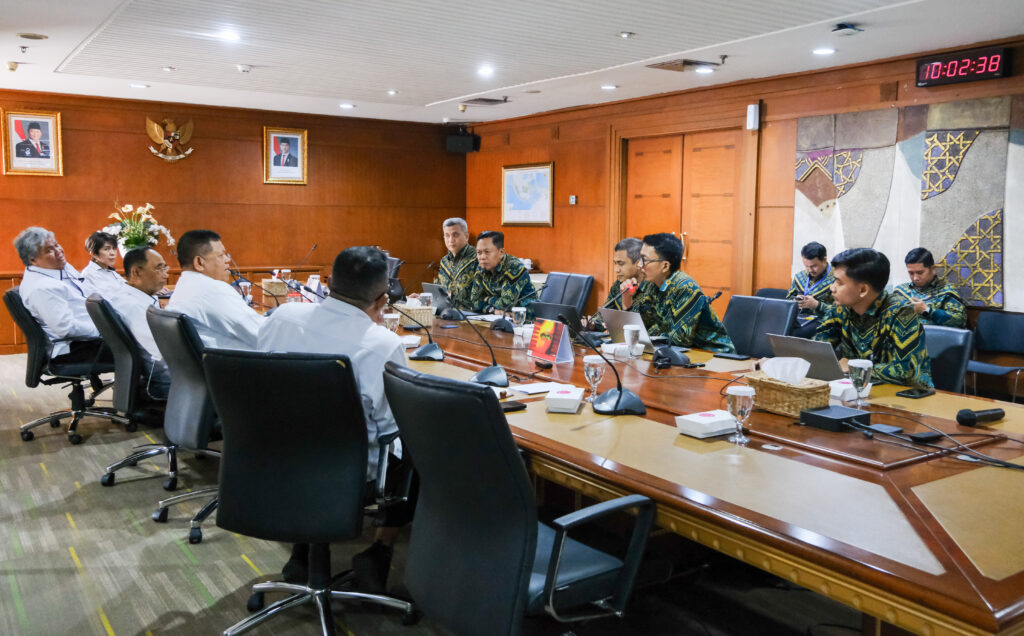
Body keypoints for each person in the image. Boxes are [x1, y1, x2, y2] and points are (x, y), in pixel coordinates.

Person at [258, 246, 416, 593]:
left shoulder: (283, 317)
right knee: (418, 444)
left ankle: (303, 549)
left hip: (272, 462)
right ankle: (380, 551)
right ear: (383, 299)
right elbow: (394, 427)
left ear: (328, 283)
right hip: (349, 477)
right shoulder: (382, 344)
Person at [814, 248, 933, 388]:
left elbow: (907, 372)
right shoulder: (840, 308)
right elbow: (816, 349)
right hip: (856, 389)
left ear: (863, 290)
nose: (832, 288)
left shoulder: (901, 312)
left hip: (905, 394)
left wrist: (854, 366)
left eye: (839, 283)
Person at [14, 227, 113, 367]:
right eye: (49, 250)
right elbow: (67, 329)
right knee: (140, 347)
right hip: (76, 347)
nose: (58, 251)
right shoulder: (41, 288)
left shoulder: (62, 267)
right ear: (33, 260)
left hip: (96, 331)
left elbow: (91, 292)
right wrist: (108, 331)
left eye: (56, 244)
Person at [629, 233, 735, 352]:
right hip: (679, 353)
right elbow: (640, 325)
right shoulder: (651, 284)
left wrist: (650, 333)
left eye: (644, 260)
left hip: (714, 355)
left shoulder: (686, 288)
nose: (639, 265)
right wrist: (629, 298)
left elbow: (680, 340)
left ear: (665, 266)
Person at [166, 230, 263, 350]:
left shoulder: (183, 286)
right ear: (199, 262)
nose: (227, 259)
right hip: (239, 360)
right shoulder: (213, 289)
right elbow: (261, 334)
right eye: (221, 255)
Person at [103, 247, 171, 398]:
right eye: (159, 268)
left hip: (156, 372)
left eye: (165, 268)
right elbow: (161, 350)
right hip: (163, 379)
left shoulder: (132, 297)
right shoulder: (133, 306)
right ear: (136, 272)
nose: (166, 274)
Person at [893, 247, 966, 328]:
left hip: (934, 335)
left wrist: (927, 310)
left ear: (933, 269)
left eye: (920, 272)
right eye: (911, 273)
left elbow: (959, 320)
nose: (915, 278)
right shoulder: (900, 291)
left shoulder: (948, 292)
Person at [469, 230, 535, 314]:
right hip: (496, 316)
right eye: (479, 252)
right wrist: (491, 310)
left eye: (487, 252)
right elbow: (474, 302)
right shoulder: (481, 267)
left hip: (525, 317)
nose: (482, 257)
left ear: (501, 252)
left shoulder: (514, 267)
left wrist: (487, 299)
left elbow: (506, 304)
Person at [588, 237, 644, 330]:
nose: (616, 270)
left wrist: (627, 300)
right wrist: (592, 325)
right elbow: (604, 316)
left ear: (639, 263)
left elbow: (642, 329)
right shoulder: (618, 285)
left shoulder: (656, 288)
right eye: (615, 263)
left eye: (621, 263)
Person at [786, 241, 835, 338]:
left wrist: (817, 305)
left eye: (814, 266)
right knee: (777, 327)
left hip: (823, 319)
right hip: (799, 317)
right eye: (806, 266)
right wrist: (795, 301)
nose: (810, 270)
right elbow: (787, 299)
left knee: (795, 334)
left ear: (824, 260)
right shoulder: (800, 277)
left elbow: (842, 312)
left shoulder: (837, 279)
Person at [434, 217, 477, 309]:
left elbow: (482, 294)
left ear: (466, 237)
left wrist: (451, 296)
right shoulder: (444, 261)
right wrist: (423, 297)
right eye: (447, 235)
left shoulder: (478, 258)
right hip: (446, 312)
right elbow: (438, 290)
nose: (451, 240)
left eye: (455, 235)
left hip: (471, 314)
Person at [81, 231, 126, 297]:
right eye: (106, 249)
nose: (112, 253)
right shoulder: (89, 275)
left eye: (114, 248)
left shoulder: (110, 271)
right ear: (93, 254)